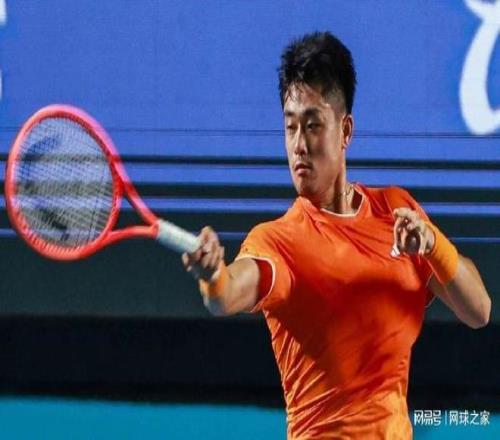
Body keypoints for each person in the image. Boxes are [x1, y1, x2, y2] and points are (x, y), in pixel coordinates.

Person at [182, 31, 491, 439]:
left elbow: (479, 311)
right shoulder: (278, 241)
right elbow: (226, 294)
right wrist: (211, 275)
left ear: (345, 131)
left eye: (313, 126)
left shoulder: (396, 212)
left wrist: (433, 245)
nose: (299, 145)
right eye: (290, 127)